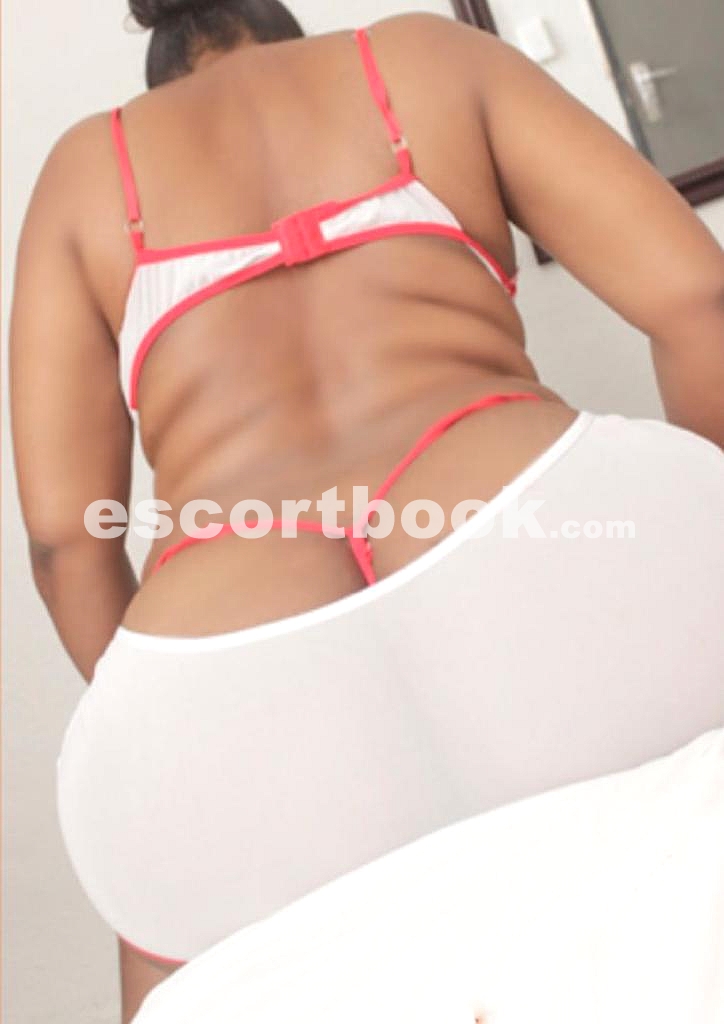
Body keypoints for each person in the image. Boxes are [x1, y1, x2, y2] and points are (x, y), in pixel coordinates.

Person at [9, 2, 724, 1020]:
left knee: (180, 958)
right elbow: (700, 301)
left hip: (230, 617)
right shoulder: (424, 58)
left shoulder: (84, 172)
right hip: (519, 522)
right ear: (286, 33)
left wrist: (187, 709)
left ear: (165, 71)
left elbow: (63, 542)